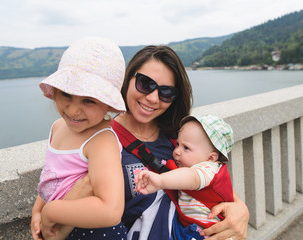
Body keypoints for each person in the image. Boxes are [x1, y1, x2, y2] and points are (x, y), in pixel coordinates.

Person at [31, 44, 249, 240]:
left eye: (165, 92)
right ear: (128, 80)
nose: (153, 98)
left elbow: (210, 177)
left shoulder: (178, 139)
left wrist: (240, 208)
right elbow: (60, 175)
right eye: (145, 84)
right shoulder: (99, 139)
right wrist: (41, 209)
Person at [31, 37, 128, 240]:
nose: (74, 110)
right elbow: (51, 176)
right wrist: (38, 210)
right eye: (66, 94)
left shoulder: (101, 141)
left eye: (88, 100)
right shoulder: (58, 127)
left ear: (108, 104)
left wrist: (52, 211)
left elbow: (110, 210)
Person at [135, 115, 235, 239]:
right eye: (177, 144)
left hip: (205, 233)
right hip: (191, 228)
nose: (176, 151)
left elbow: (193, 178)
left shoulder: (209, 169)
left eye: (186, 148)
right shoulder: (197, 166)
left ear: (210, 158)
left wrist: (161, 180)